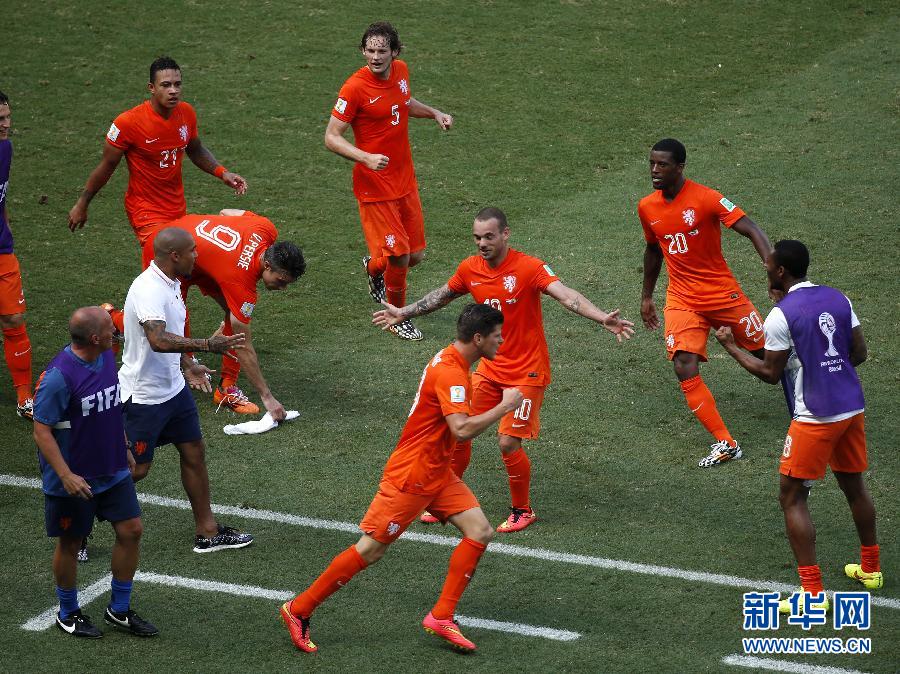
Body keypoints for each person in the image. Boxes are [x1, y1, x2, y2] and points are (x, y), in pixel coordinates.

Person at [281, 304, 523, 653]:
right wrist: (504, 406)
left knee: (480, 531)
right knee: (371, 549)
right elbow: (462, 429)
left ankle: (441, 616)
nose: (502, 341)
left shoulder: (450, 359)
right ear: (479, 338)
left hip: (437, 473)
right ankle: (298, 609)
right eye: (497, 335)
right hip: (413, 476)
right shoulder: (452, 374)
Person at [374, 207, 634, 532]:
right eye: (477, 237)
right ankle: (442, 497)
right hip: (491, 369)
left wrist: (601, 318)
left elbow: (566, 296)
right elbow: (442, 295)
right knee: (459, 432)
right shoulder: (470, 269)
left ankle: (522, 510)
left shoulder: (528, 268)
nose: (482, 243)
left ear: (505, 234)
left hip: (528, 373)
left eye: (489, 236)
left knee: (508, 442)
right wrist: (405, 312)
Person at [715, 240, 882, 613]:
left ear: (780, 272)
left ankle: (812, 594)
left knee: (792, 496)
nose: (765, 268)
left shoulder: (780, 314)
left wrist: (730, 346)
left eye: (768, 265)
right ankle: (871, 570)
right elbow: (859, 354)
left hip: (815, 416)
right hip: (851, 406)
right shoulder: (838, 298)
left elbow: (770, 373)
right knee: (854, 486)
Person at [638, 138, 772, 468]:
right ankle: (726, 442)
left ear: (680, 167)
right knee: (683, 363)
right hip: (682, 298)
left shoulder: (707, 198)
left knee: (769, 356)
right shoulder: (647, 207)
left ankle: (817, 391)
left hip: (722, 294)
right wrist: (646, 296)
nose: (655, 170)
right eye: (652, 163)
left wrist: (774, 271)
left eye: (663, 164)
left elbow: (750, 227)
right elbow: (654, 250)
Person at [119, 227, 253, 552]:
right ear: (174, 256)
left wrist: (187, 364)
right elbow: (157, 338)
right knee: (135, 470)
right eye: (192, 250)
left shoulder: (173, 282)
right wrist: (208, 345)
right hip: (145, 397)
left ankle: (207, 532)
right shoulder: (149, 289)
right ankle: (77, 526)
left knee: (194, 452)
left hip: (174, 391)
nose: (198, 255)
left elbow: (170, 338)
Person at [33, 306, 158, 638]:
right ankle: (68, 611)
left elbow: (110, 405)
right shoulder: (59, 378)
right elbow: (41, 431)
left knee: (131, 530)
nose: (115, 332)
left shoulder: (104, 359)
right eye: (109, 330)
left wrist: (125, 444)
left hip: (112, 466)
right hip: (75, 479)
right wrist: (66, 476)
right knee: (71, 543)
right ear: (94, 338)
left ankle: (119, 609)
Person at [325, 21, 453, 341]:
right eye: (370, 50)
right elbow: (331, 137)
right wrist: (365, 157)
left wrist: (435, 112)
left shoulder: (401, 71)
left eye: (382, 50)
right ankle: (397, 315)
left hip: (404, 180)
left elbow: (404, 103)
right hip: (374, 185)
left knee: (416, 256)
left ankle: (374, 267)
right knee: (400, 255)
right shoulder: (353, 88)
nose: (376, 56)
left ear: (395, 52)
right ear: (362, 51)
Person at [67, 56, 248, 268]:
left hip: (176, 207)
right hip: (145, 211)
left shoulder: (186, 113)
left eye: (177, 84)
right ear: (152, 88)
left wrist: (222, 172)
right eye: (166, 85)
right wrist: (82, 203)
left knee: (185, 266)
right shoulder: (128, 123)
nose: (173, 90)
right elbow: (106, 168)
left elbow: (194, 148)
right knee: (163, 265)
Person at [164, 208, 306, 417]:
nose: (283, 288)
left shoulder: (266, 228)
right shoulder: (242, 283)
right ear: (267, 265)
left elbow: (225, 212)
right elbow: (244, 346)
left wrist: (217, 254)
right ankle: (113, 320)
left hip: (189, 242)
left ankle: (225, 388)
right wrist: (267, 396)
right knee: (163, 323)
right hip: (168, 255)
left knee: (235, 315)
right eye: (281, 281)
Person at [0, 91, 34, 419]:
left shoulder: (4, 149)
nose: (7, 124)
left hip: (1, 250)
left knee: (13, 318)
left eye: (8, 117)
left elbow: (2, 196)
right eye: (0, 120)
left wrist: (6, 229)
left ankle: (25, 395)